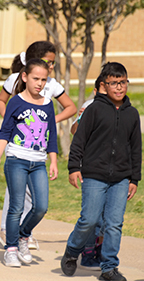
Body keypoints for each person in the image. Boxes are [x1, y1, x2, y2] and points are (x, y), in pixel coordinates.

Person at [61, 62, 141, 281]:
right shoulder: (94, 109)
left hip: (121, 178)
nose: (119, 87)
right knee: (89, 219)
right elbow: (79, 140)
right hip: (94, 174)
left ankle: (109, 267)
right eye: (114, 83)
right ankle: (72, 250)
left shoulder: (132, 114)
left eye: (123, 82)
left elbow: (136, 148)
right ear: (104, 85)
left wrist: (134, 177)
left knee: (114, 223)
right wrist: (73, 167)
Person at [0, 41, 77, 249]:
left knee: (37, 201)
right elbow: (1, 102)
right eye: (49, 62)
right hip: (18, 148)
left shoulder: (52, 84)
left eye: (52, 65)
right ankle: (7, 233)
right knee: (15, 196)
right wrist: (11, 121)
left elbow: (70, 108)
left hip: (39, 150)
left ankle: (23, 233)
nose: (51, 67)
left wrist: (49, 122)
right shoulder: (16, 79)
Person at [0, 59, 58, 268]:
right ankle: (11, 249)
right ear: (25, 77)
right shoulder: (16, 102)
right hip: (16, 160)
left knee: (41, 207)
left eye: (44, 80)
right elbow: (5, 131)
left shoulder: (48, 104)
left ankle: (23, 236)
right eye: (36, 78)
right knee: (16, 206)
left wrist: (53, 161)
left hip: (38, 163)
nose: (40, 83)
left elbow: (52, 135)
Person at [70, 76, 107, 271]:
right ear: (95, 90)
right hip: (91, 166)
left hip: (112, 168)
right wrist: (83, 118)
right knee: (94, 215)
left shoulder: (119, 106)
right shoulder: (89, 106)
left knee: (107, 216)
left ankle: (99, 250)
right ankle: (87, 253)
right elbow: (74, 130)